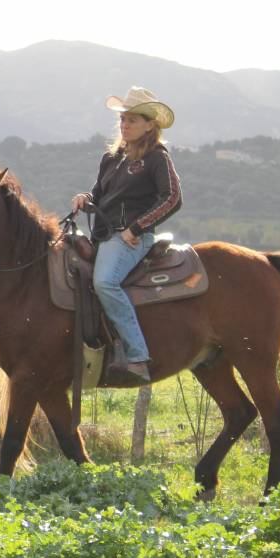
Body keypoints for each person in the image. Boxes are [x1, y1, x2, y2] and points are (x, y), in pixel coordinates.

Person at [70, 86, 182, 384]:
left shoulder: (158, 158)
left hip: (130, 238)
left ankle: (137, 357)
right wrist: (85, 197)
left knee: (104, 282)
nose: (125, 124)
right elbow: (99, 193)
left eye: (133, 119)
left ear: (150, 125)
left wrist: (137, 228)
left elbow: (172, 198)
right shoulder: (112, 157)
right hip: (103, 236)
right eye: (123, 119)